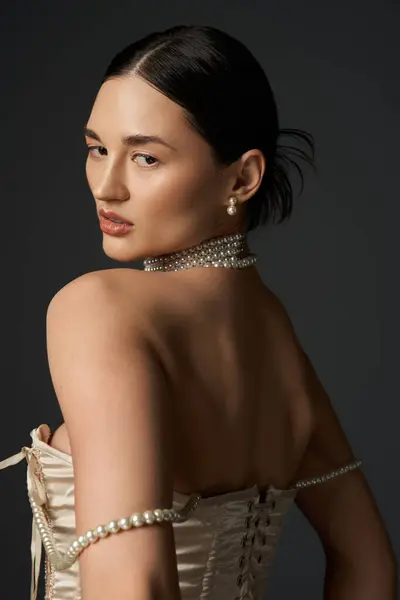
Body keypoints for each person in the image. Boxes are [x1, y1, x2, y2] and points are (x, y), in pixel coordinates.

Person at [0, 24, 397, 600]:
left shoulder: (100, 308)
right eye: (97, 149)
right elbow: (369, 566)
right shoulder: (274, 337)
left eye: (145, 157)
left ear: (242, 177)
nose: (106, 187)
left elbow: (134, 585)